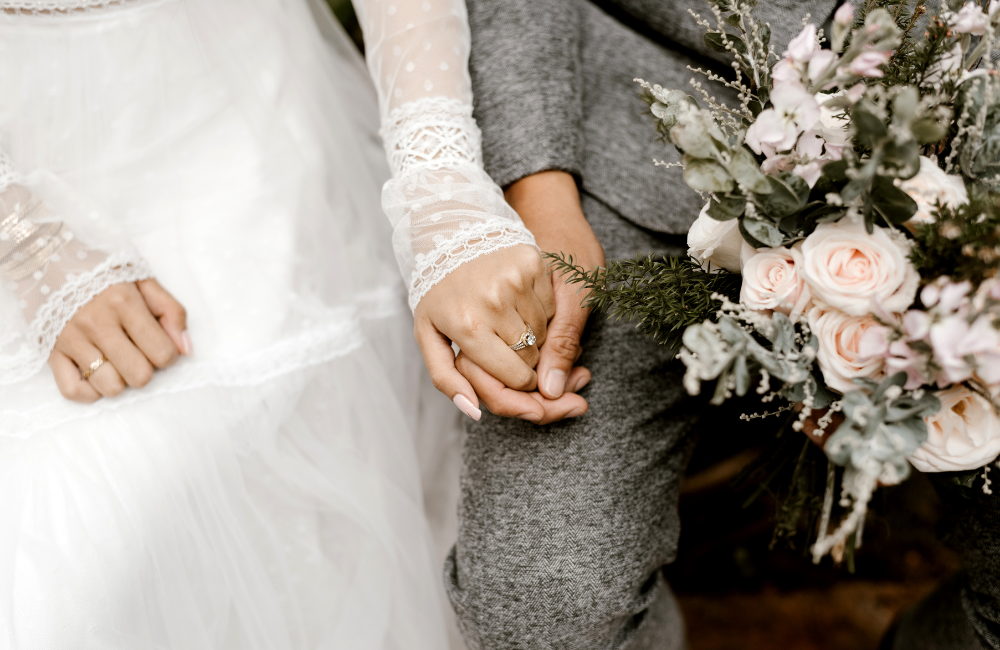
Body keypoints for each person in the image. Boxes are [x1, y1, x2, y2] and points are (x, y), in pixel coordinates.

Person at [0, 0, 459, 646]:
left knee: (294, 499)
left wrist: (446, 200)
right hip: (18, 133)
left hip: (235, 115)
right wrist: (26, 241)